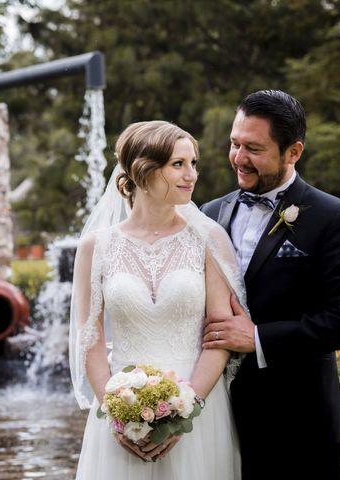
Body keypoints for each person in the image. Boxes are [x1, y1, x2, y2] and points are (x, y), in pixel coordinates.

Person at [200, 90, 340, 479]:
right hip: (214, 420)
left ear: (293, 152)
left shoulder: (334, 217)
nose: (238, 158)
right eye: (234, 143)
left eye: (254, 149)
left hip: (298, 425)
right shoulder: (208, 214)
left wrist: (259, 337)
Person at [70, 120, 243, 479]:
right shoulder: (96, 247)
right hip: (122, 411)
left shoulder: (209, 239)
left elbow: (219, 337)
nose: (191, 174)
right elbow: (91, 339)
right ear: (142, 169)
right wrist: (116, 414)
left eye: (193, 163)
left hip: (199, 409)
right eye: (178, 164)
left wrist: (185, 410)